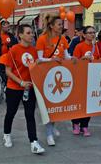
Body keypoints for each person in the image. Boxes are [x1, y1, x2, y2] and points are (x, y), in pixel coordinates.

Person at [3, 24, 45, 154]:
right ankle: (7, 134)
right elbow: (8, 71)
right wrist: (20, 82)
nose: (32, 35)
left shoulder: (33, 50)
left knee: (30, 114)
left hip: (29, 88)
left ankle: (34, 142)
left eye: (32, 33)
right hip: (14, 87)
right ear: (20, 35)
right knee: (11, 112)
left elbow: (35, 67)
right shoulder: (14, 50)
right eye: (28, 33)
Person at [36, 13, 73, 146]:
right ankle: (49, 133)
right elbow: (39, 59)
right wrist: (51, 60)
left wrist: (74, 58)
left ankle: (52, 127)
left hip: (60, 74)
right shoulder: (42, 39)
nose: (61, 26)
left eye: (62, 24)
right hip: (46, 75)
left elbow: (67, 56)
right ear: (52, 26)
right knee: (48, 106)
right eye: (59, 24)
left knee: (57, 104)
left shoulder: (63, 39)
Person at [71, 26, 100, 137]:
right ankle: (75, 123)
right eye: (89, 32)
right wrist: (82, 59)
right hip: (80, 78)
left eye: (94, 32)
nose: (92, 34)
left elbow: (98, 60)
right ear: (84, 35)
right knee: (78, 102)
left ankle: (85, 125)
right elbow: (73, 62)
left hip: (92, 77)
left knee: (89, 103)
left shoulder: (95, 47)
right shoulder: (79, 46)